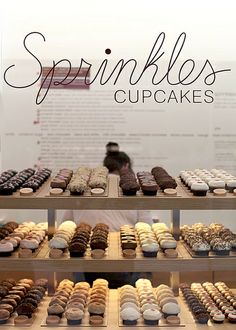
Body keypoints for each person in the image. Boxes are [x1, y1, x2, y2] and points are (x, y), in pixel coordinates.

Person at [62, 142, 153, 287]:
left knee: (86, 299)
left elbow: (66, 224)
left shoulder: (83, 187)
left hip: (85, 255)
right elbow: (146, 227)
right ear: (126, 166)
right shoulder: (134, 189)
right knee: (125, 301)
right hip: (123, 255)